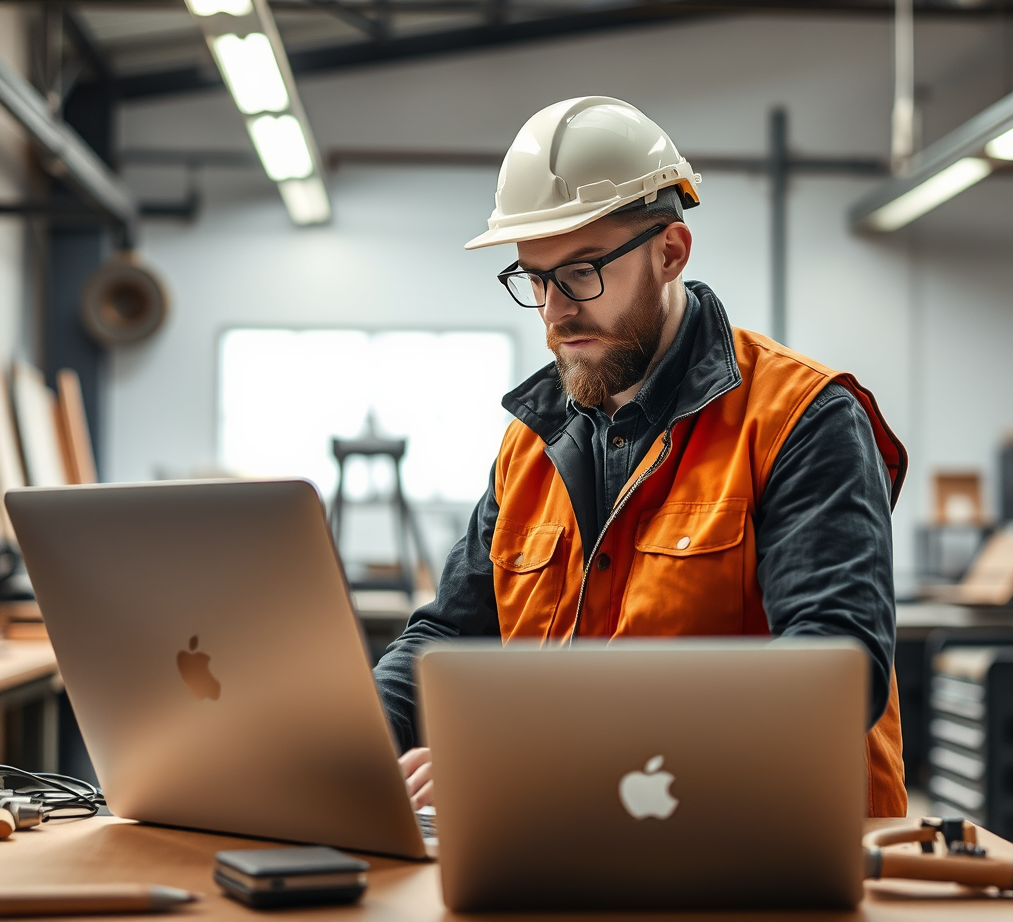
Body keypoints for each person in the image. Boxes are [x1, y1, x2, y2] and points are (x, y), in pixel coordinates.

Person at [374, 96, 909, 817]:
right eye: (534, 278)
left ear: (670, 252)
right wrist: (354, 742)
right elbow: (449, 636)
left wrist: (549, 756)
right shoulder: (531, 443)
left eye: (581, 272)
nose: (555, 310)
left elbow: (834, 671)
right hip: (581, 832)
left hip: (781, 845)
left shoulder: (800, 418)